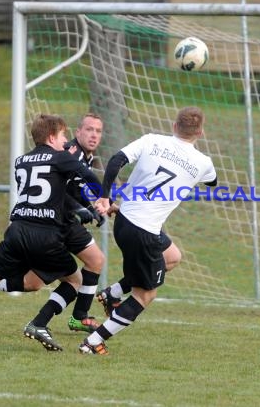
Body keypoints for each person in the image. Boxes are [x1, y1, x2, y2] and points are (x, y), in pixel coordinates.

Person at [0, 114, 103, 351]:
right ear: (52, 137)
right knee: (75, 281)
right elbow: (88, 176)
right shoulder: (62, 157)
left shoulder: (21, 161)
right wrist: (102, 197)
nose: (65, 141)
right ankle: (40, 323)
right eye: (63, 135)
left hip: (16, 231)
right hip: (46, 236)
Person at [79, 106, 217, 355]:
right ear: (201, 132)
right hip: (144, 232)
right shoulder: (203, 163)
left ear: (174, 126)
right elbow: (212, 181)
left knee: (172, 257)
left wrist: (105, 197)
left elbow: (115, 161)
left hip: (123, 221)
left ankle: (113, 293)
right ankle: (94, 341)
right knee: (145, 295)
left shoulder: (151, 140)